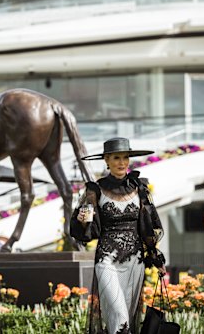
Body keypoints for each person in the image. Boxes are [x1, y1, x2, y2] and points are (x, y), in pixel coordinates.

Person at [70, 137, 166, 334]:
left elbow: (148, 227)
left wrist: (156, 257)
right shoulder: (94, 189)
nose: (122, 162)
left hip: (135, 261)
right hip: (107, 260)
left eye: (125, 157)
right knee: (119, 316)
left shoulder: (139, 187)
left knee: (126, 320)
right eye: (116, 158)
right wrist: (81, 219)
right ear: (106, 160)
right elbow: (87, 230)